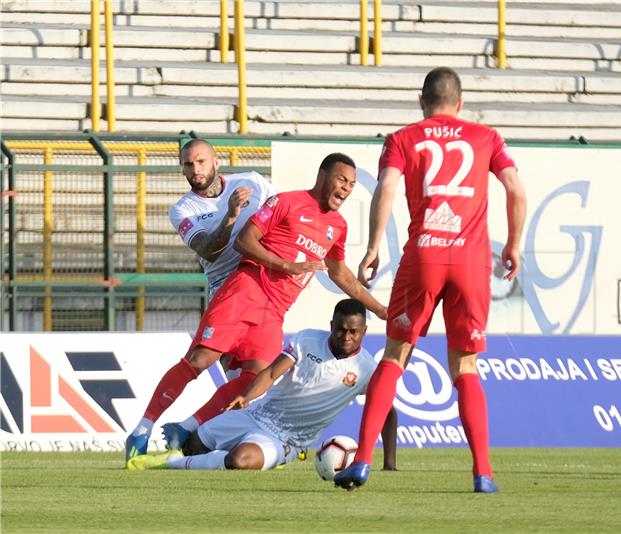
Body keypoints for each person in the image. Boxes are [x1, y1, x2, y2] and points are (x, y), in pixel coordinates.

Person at [334, 67, 527, 493]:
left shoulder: (404, 138)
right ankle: (483, 474)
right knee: (465, 366)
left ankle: (363, 462)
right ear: (460, 104)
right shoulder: (486, 137)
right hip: (472, 260)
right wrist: (513, 244)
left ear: (422, 103)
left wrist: (371, 247)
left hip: (425, 255)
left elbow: (385, 188)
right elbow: (515, 188)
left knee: (395, 355)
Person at [124, 153, 388, 463]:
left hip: (274, 311)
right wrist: (287, 265)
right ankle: (142, 429)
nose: (346, 189)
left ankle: (185, 428)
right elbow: (245, 241)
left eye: (352, 185)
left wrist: (382, 310)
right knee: (199, 360)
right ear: (323, 176)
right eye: (342, 180)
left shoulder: (337, 226)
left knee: (257, 379)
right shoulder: (287, 202)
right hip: (245, 291)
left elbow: (340, 273)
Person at [126, 299, 398, 473]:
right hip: (257, 414)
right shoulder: (307, 340)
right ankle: (192, 457)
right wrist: (246, 396)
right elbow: (269, 374)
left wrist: (389, 463)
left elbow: (387, 411)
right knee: (194, 444)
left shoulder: (366, 370)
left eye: (353, 332)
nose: (346, 337)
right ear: (332, 325)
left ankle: (170, 463)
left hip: (287, 439)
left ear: (363, 332)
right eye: (341, 329)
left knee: (240, 461)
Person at [169, 138, 276, 302]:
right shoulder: (182, 210)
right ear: (183, 169)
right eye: (189, 164)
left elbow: (281, 214)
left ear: (216, 163)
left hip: (263, 276)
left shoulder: (252, 181)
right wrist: (231, 215)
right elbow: (208, 252)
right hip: (224, 283)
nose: (196, 169)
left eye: (201, 161)